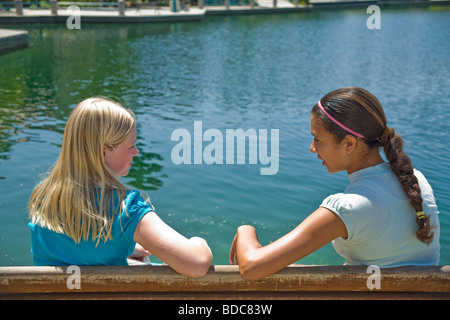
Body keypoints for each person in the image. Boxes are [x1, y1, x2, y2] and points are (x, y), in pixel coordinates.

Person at [229, 87, 440, 280]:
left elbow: (252, 267)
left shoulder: (348, 207)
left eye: (317, 139)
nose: (312, 148)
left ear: (349, 143)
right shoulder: (416, 181)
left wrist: (245, 230)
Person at [28, 97, 212, 278]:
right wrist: (198, 242)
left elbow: (76, 248)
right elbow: (197, 264)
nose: (136, 152)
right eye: (130, 146)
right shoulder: (125, 208)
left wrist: (125, 246)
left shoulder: (43, 196)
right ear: (103, 151)